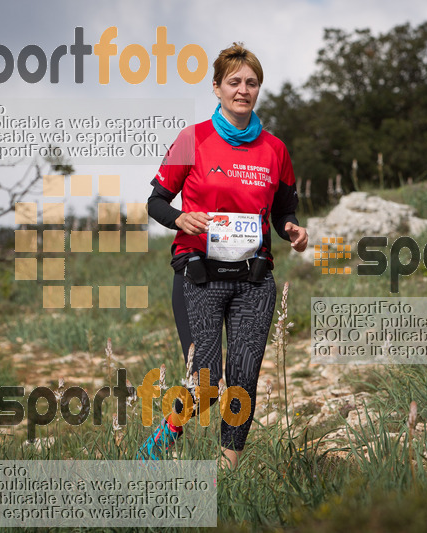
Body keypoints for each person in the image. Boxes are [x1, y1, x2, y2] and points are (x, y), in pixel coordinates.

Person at [141, 42, 308, 469]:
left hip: (253, 280)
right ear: (216, 87)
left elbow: (283, 211)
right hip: (199, 274)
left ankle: (227, 472)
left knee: (244, 379)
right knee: (208, 383)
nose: (243, 90)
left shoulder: (275, 150)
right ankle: (162, 441)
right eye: (234, 82)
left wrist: (290, 229)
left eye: (251, 83)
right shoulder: (192, 138)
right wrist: (180, 220)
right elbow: (156, 202)